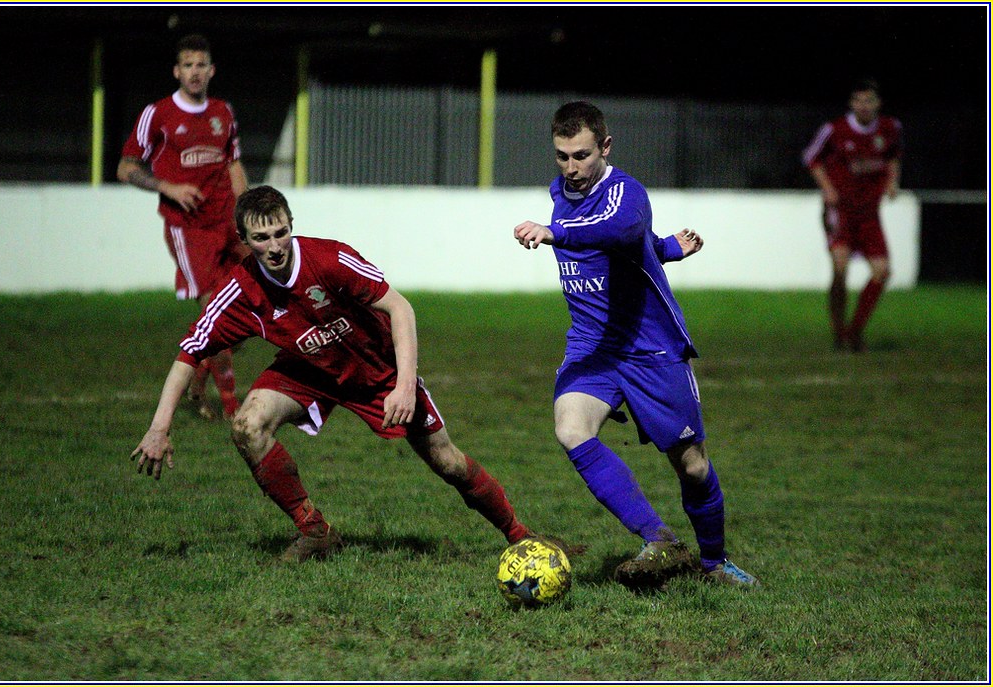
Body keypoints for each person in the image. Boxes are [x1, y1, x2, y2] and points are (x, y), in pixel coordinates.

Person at [131, 185, 533, 562]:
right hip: (307, 370)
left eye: (280, 232)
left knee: (447, 462)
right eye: (261, 238)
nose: (274, 247)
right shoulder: (240, 292)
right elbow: (188, 353)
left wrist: (405, 386)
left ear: (291, 225)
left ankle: (521, 537)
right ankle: (315, 529)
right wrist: (159, 427)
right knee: (247, 426)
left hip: (376, 370)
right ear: (243, 240)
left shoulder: (329, 259)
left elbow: (400, 308)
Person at [512, 101, 757, 588]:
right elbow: (631, 245)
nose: (571, 168)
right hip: (592, 346)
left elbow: (620, 229)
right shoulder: (561, 189)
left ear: (605, 147)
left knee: (691, 465)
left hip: (650, 347)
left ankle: (713, 562)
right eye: (561, 156)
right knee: (571, 429)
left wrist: (555, 232)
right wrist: (664, 248)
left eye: (581, 155)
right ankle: (659, 538)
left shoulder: (628, 193)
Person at [118, 33, 249, 419]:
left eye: (201, 65)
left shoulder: (223, 112)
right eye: (187, 65)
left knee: (241, 317)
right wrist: (167, 187)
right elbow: (126, 168)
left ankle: (196, 386)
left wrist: (247, 213)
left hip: (229, 225)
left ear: (211, 70)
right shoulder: (157, 114)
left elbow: (233, 163)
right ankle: (231, 408)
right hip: (190, 232)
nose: (194, 72)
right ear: (177, 71)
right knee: (216, 314)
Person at [802, 78, 903, 352]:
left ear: (878, 103)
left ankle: (854, 331)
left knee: (882, 272)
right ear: (851, 103)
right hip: (840, 212)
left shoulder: (890, 128)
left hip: (869, 213)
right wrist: (828, 189)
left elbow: (893, 155)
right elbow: (811, 158)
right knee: (841, 268)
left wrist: (893, 181)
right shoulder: (834, 130)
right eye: (859, 100)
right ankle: (838, 332)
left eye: (869, 100)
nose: (864, 105)